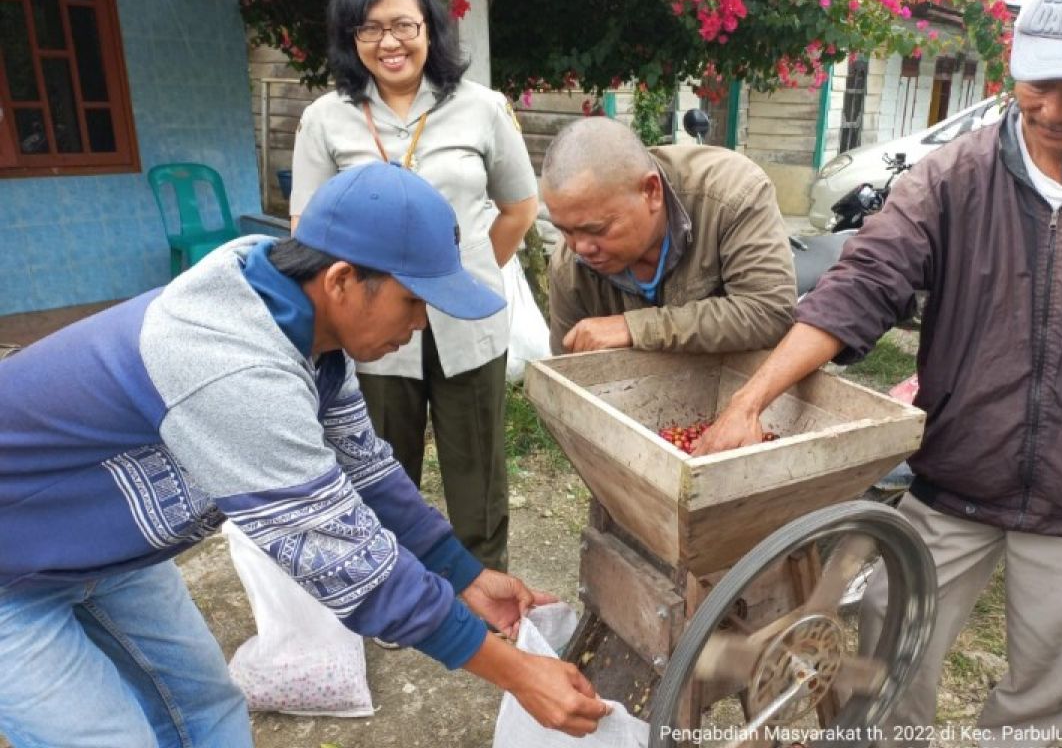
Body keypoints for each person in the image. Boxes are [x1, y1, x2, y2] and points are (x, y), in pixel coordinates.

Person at [694, 0, 1062, 746]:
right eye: (1040, 81)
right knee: (890, 663)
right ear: (1014, 55)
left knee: (1037, 704)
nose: (1058, 108)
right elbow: (860, 284)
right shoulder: (952, 175)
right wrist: (748, 403)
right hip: (957, 473)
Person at [0, 162, 608, 747]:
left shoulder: (305, 330)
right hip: (10, 574)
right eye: (413, 301)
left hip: (102, 558)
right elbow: (349, 564)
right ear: (342, 280)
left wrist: (465, 575)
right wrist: (518, 673)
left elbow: (365, 470)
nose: (422, 324)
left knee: (203, 708)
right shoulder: (232, 366)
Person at [290, 0, 538, 572]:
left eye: (403, 23)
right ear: (352, 38)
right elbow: (306, 229)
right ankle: (400, 591)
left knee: (476, 475)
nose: (389, 42)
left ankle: (485, 591)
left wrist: (448, 286)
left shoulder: (483, 107)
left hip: (468, 324)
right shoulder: (325, 120)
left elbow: (518, 208)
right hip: (374, 333)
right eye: (370, 28)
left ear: (430, 25)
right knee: (383, 471)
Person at [541, 116, 797, 355]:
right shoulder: (568, 266)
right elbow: (567, 374)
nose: (581, 248)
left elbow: (769, 310)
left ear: (651, 192)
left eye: (597, 229)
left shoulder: (732, 196)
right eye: (565, 230)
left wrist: (635, 328)